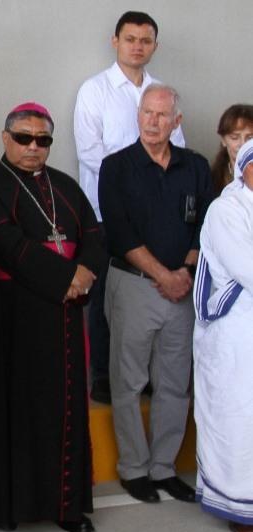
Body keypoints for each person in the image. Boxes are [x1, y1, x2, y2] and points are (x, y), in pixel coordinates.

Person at [0, 102, 106, 532]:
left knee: (64, 409)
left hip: (64, 312)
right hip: (13, 313)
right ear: (6, 139)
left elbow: (95, 236)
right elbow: (8, 245)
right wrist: (66, 279)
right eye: (23, 138)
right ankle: (8, 506)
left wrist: (83, 278)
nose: (33, 147)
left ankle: (67, 507)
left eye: (42, 140)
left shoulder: (64, 185)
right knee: (15, 409)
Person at [99, 83, 211, 505]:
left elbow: (205, 224)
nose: (153, 121)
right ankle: (134, 469)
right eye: (147, 112)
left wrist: (184, 271)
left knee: (175, 383)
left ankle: (164, 468)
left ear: (176, 122)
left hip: (183, 287)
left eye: (163, 115)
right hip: (134, 285)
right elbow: (120, 231)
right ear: (138, 115)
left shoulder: (195, 166)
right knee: (128, 381)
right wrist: (164, 275)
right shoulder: (116, 167)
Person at [74, 10, 186, 405]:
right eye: (130, 38)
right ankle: (103, 375)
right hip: (107, 215)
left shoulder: (162, 92)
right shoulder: (95, 90)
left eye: (145, 40)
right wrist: (138, 182)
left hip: (158, 219)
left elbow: (180, 152)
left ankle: (152, 376)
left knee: (154, 297)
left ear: (154, 46)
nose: (137, 46)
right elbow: (91, 154)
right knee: (109, 297)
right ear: (115, 42)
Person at [194, 139, 253, 532]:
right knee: (239, 423)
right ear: (243, 168)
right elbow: (246, 267)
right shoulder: (226, 209)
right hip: (236, 337)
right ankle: (242, 511)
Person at [210, 105, 253, 196]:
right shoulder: (212, 180)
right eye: (234, 138)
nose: (243, 144)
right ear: (223, 140)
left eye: (250, 138)